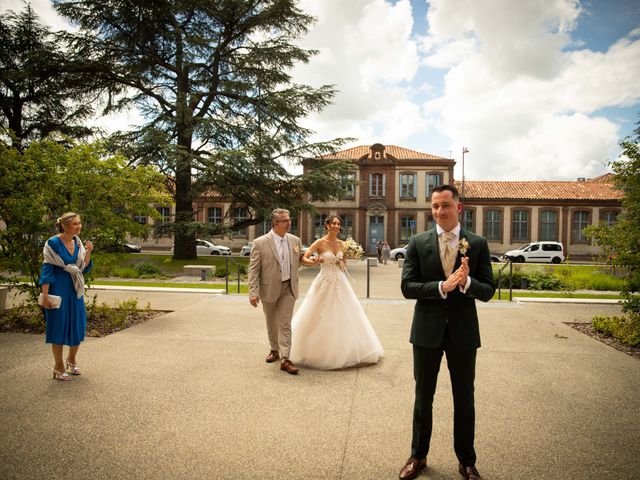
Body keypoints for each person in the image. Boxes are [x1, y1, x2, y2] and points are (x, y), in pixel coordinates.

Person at [398, 185, 495, 480]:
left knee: (464, 397)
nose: (440, 212)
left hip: (463, 334)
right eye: (435, 206)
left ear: (459, 208)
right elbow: (407, 287)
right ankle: (418, 456)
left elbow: (489, 290)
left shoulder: (476, 244)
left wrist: (466, 284)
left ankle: (466, 461)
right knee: (422, 397)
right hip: (426, 333)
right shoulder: (417, 242)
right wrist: (443, 287)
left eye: (445, 206)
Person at [289, 215, 383, 370]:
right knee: (318, 313)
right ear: (327, 225)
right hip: (324, 281)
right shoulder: (320, 242)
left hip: (339, 282)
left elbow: (342, 263)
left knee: (345, 314)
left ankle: (346, 350)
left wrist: (342, 261)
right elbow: (303, 257)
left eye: (338, 224)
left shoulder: (343, 244)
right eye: (333, 223)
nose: (336, 226)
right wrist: (314, 262)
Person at [248, 208, 310, 375]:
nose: (289, 223)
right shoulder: (260, 242)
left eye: (289, 220)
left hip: (289, 288)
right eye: (285, 220)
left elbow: (301, 258)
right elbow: (253, 270)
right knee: (271, 322)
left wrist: (313, 261)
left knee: (284, 323)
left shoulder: (295, 240)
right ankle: (274, 349)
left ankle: (285, 358)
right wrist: (253, 292)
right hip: (268, 288)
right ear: (275, 223)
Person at [40, 212, 94, 381]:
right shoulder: (53, 243)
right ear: (64, 225)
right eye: (75, 224)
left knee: (78, 325)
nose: (79, 226)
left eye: (80, 223)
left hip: (74, 290)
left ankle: (71, 359)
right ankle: (58, 366)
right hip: (58, 289)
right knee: (58, 326)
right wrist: (46, 296)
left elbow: (83, 268)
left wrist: (88, 252)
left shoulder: (78, 243)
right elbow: (47, 269)